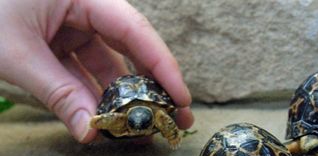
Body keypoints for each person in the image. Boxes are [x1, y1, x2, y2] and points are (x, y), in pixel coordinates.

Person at [0, 0, 194, 143]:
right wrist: (94, 120)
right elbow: (106, 120)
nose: (135, 130)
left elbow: (165, 119)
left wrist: (172, 134)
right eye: (132, 126)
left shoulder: (158, 115)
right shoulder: (121, 119)